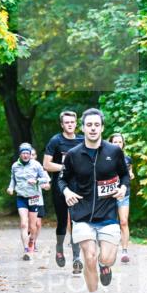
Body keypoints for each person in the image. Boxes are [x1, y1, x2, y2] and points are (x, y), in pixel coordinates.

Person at [58, 109, 129, 293]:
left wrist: (123, 188)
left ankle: (104, 265)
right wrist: (67, 191)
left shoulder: (114, 152)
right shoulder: (73, 155)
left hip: (107, 215)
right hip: (82, 215)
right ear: (83, 127)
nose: (92, 128)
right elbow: (61, 179)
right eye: (89, 125)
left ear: (102, 128)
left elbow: (125, 176)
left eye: (96, 125)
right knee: (89, 256)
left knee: (106, 258)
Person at [43, 111, 85, 273]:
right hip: (60, 186)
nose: (70, 124)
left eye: (72, 122)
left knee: (76, 221)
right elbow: (46, 164)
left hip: (78, 187)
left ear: (76, 123)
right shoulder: (56, 141)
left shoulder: (82, 140)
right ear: (62, 124)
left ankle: (76, 258)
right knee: (62, 222)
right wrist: (66, 167)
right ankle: (59, 248)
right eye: (66, 122)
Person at [7, 143, 50, 261]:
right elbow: (13, 180)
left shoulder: (36, 165)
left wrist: (36, 181)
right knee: (23, 224)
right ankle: (26, 250)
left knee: (33, 225)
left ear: (30, 154)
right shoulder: (15, 166)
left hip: (34, 198)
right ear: (20, 154)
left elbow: (46, 179)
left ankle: (32, 243)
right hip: (21, 197)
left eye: (27, 153)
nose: (25, 155)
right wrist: (10, 188)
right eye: (23, 153)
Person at [109, 133, 134, 263]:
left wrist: (131, 174)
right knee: (110, 223)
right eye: (115, 142)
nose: (118, 144)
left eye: (120, 142)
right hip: (108, 194)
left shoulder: (128, 159)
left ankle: (124, 251)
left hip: (124, 193)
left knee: (123, 222)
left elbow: (129, 172)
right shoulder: (104, 157)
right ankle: (110, 250)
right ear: (110, 143)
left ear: (123, 144)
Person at [31, 147, 46, 246]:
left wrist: (45, 186)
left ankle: (34, 241)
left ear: (36, 156)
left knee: (38, 224)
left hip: (39, 199)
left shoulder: (40, 168)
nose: (31, 156)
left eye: (33, 155)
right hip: (27, 199)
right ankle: (30, 242)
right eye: (30, 154)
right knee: (30, 224)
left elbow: (47, 183)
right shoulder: (22, 168)